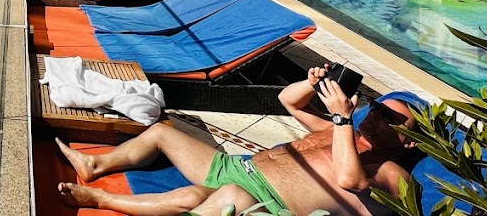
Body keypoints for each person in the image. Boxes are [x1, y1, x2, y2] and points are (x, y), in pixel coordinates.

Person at [56, 65, 425, 216]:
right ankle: (96, 165)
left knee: (211, 198)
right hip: (236, 169)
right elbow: (289, 102)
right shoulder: (337, 131)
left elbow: (351, 180)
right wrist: (311, 84)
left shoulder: (392, 172)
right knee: (163, 133)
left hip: (267, 203)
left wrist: (343, 119)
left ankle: (101, 199)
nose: (376, 115)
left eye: (390, 118)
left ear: (409, 141)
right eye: (378, 107)